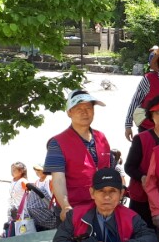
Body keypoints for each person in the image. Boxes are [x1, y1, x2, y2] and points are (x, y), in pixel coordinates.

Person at [44, 89, 114, 221]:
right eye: (78, 108)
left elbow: (109, 170)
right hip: (74, 211)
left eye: (88, 108)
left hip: (104, 209)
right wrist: (65, 206)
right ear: (69, 112)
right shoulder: (57, 142)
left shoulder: (101, 137)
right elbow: (58, 179)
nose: (84, 112)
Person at [124, 94, 159, 224]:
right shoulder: (141, 139)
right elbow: (129, 167)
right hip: (143, 197)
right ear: (151, 115)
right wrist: (143, 177)